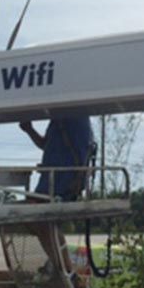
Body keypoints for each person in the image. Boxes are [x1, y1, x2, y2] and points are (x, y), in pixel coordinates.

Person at [19, 115, 95, 279]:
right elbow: (45, 145)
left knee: (42, 218)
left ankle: (66, 270)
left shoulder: (75, 117)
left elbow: (79, 152)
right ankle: (60, 267)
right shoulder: (57, 121)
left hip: (62, 179)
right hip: (50, 180)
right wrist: (29, 130)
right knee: (36, 219)